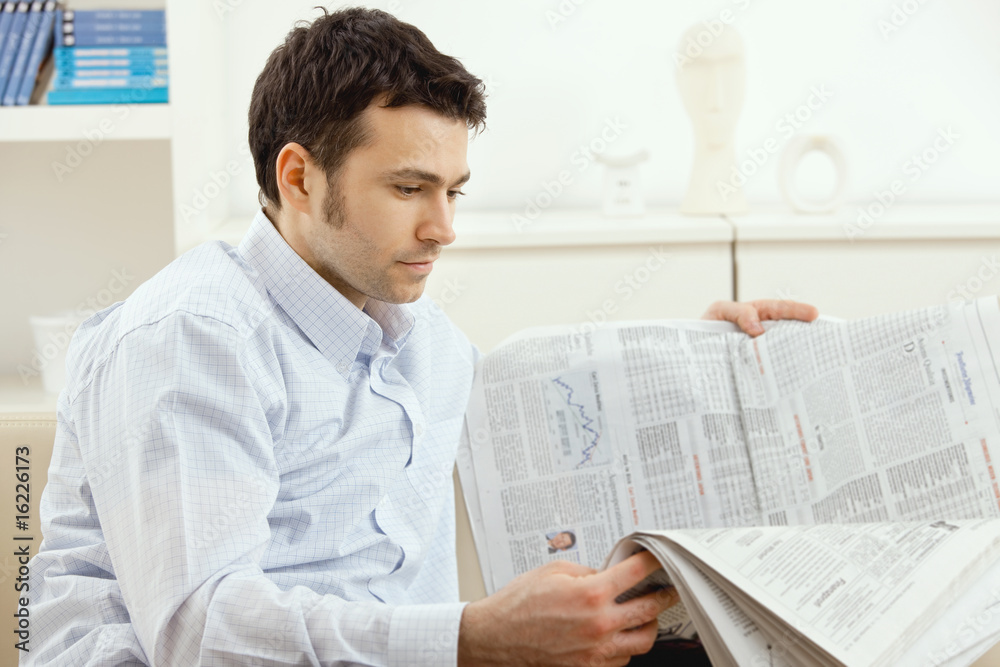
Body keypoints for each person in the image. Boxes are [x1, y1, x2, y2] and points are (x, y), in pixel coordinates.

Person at [27, 8, 818, 666]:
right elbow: (200, 634)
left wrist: (701, 359)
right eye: (409, 188)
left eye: (453, 192)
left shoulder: (416, 332)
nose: (442, 228)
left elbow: (545, 427)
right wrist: (471, 638)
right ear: (298, 178)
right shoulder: (192, 337)